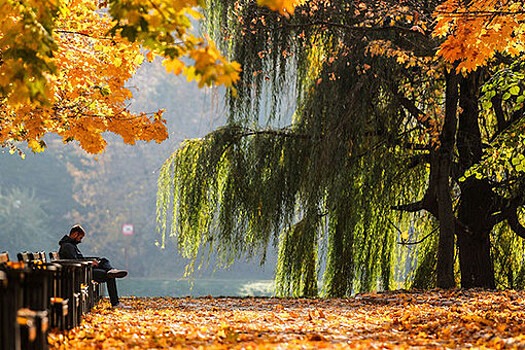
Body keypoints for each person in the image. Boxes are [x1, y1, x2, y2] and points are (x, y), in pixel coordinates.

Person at [58, 224, 130, 309]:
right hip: (81, 273)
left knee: (103, 260)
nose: (80, 240)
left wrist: (92, 261)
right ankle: (115, 303)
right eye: (80, 238)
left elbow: (78, 259)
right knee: (108, 276)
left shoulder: (70, 245)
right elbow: (74, 261)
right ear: (75, 234)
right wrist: (90, 262)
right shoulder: (67, 246)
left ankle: (111, 270)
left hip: (84, 269)